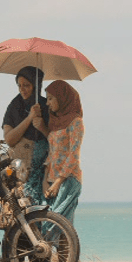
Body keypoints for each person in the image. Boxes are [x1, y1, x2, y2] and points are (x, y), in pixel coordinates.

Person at [2, 65, 50, 209]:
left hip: (43, 170)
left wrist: (42, 126)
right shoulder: (14, 107)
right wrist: (29, 118)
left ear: (36, 85)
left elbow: (57, 140)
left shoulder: (47, 106)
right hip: (19, 169)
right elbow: (9, 139)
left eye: (27, 85)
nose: (22, 89)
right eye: (19, 85)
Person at [42, 80, 84, 223]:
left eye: (50, 98)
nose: (47, 103)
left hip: (68, 180)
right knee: (48, 224)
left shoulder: (76, 121)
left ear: (61, 98)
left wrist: (58, 182)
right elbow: (51, 153)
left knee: (56, 225)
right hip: (51, 182)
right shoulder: (55, 122)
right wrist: (45, 181)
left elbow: (74, 155)